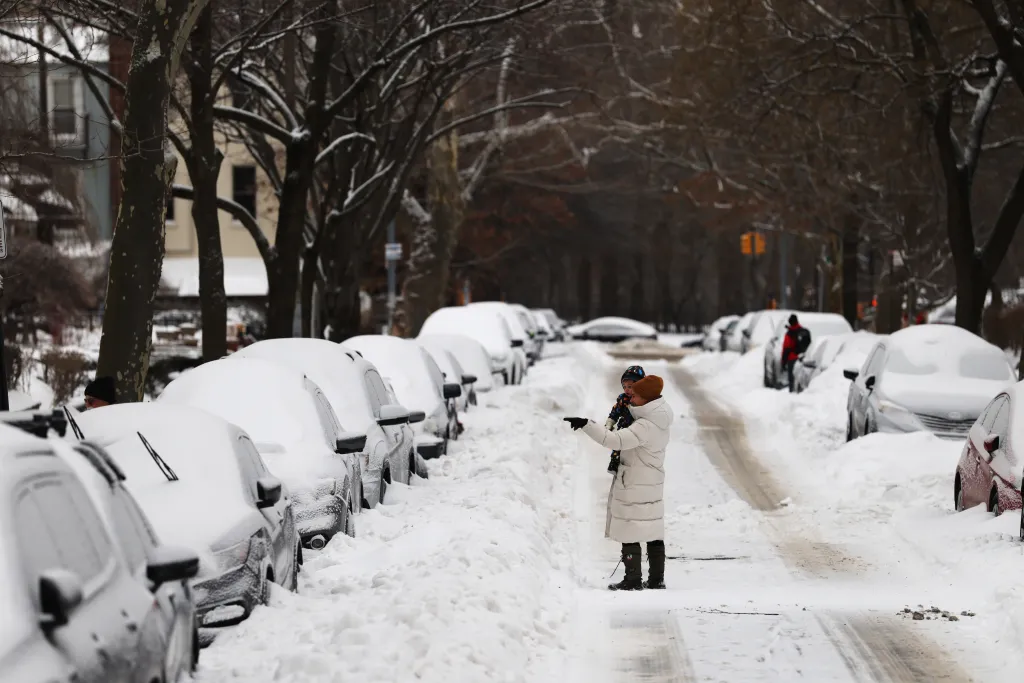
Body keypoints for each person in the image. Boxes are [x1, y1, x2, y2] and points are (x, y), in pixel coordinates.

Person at [564, 374, 674, 591]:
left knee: (629, 528)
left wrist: (587, 424)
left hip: (634, 481)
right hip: (651, 480)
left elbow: (613, 440)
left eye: (636, 396)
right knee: (653, 530)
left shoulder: (644, 425)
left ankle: (632, 579)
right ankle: (656, 579)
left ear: (647, 399)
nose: (631, 398)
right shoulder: (660, 419)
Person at [605, 365, 646, 474]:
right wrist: (610, 422)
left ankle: (640, 467)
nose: (627, 389)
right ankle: (614, 463)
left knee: (638, 450)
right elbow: (615, 411)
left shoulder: (644, 400)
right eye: (624, 387)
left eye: (630, 386)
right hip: (624, 428)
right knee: (618, 445)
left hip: (639, 429)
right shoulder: (623, 399)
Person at [781, 314, 808, 393]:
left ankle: (792, 394)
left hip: (792, 359)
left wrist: (783, 362)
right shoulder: (803, 331)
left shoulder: (789, 334)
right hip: (802, 359)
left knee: (792, 380)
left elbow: (786, 349)